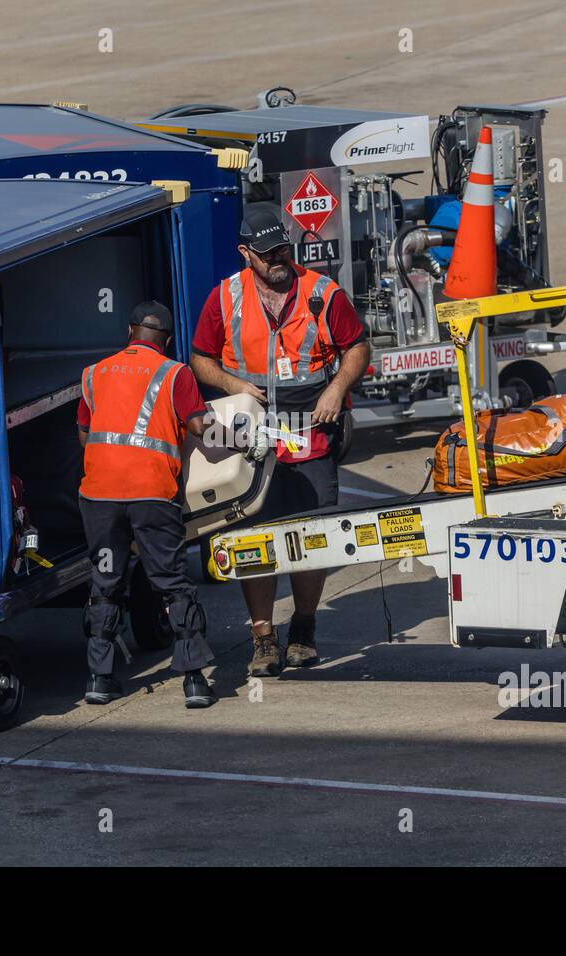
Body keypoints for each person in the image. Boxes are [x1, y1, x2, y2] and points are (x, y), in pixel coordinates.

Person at [191, 203, 370, 675]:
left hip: (312, 431)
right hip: (255, 435)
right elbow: (199, 359)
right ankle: (263, 637)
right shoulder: (224, 297)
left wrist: (337, 387)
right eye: (268, 253)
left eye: (284, 250)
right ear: (245, 253)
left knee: (313, 534)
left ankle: (304, 628)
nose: (278, 260)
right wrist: (235, 387)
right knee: (255, 538)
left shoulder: (322, 293)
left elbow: (358, 346)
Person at [76, 300, 265, 709]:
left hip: (99, 496)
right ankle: (195, 681)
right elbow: (199, 426)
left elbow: (84, 431)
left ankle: (99, 679)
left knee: (106, 583)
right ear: (167, 339)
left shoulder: (95, 373)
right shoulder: (174, 373)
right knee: (173, 584)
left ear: (130, 332)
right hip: (151, 495)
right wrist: (243, 440)